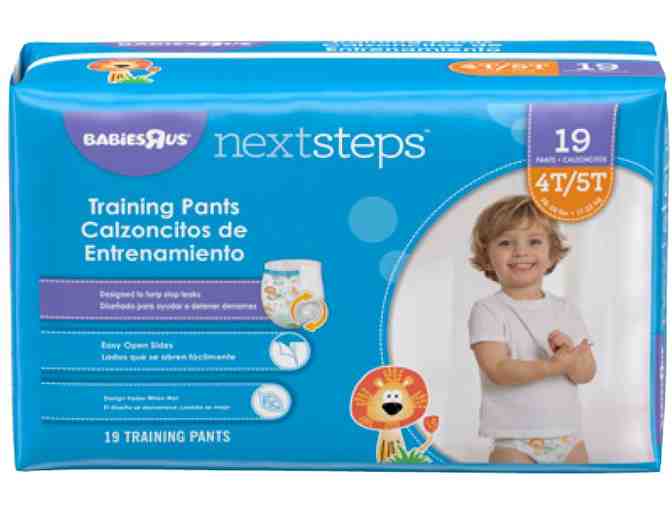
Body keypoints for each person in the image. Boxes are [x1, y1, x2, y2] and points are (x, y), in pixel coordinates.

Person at [468, 195, 596, 464]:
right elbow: (497, 370)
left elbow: (585, 374)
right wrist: (552, 367)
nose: (520, 251)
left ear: (552, 255)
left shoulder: (566, 309)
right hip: (514, 439)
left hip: (569, 435)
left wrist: (570, 356)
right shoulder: (488, 310)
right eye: (505, 243)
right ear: (487, 257)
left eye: (534, 242)